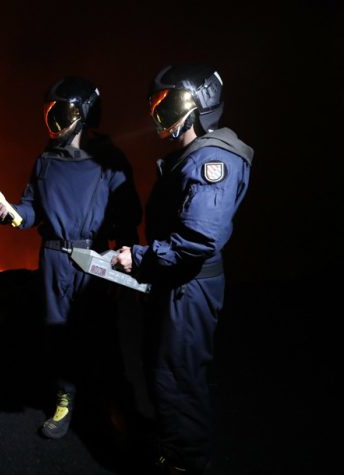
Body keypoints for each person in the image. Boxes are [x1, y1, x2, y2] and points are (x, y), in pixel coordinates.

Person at [111, 63, 254, 474]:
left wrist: (137, 258)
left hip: (188, 288)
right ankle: (173, 448)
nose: (159, 115)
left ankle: (186, 463)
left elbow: (198, 240)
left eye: (168, 104)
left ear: (197, 106)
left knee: (178, 376)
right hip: (175, 282)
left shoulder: (213, 160)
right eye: (157, 105)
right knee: (163, 370)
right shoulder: (192, 155)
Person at [0, 75, 142, 439]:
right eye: (50, 113)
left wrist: (126, 262)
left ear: (84, 113)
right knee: (57, 334)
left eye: (62, 112)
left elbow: (127, 213)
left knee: (100, 333)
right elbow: (30, 211)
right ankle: (64, 399)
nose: (54, 121)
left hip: (96, 257)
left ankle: (112, 403)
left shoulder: (109, 159)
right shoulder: (45, 160)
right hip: (55, 258)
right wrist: (9, 211)